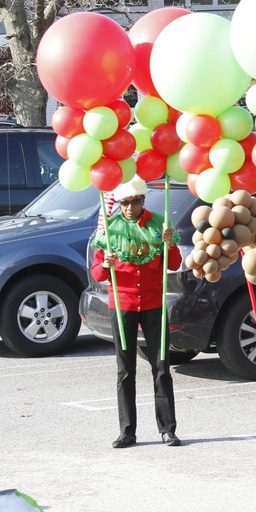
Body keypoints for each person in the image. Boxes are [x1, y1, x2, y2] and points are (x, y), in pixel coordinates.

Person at [90, 177, 183, 449]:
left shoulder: (158, 223)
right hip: (123, 305)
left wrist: (170, 244)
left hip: (154, 303)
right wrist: (105, 265)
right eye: (124, 203)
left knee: (161, 367)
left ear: (143, 200)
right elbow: (97, 273)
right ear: (118, 203)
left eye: (135, 202)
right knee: (125, 370)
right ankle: (127, 431)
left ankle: (167, 429)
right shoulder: (109, 229)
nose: (129, 208)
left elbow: (174, 264)